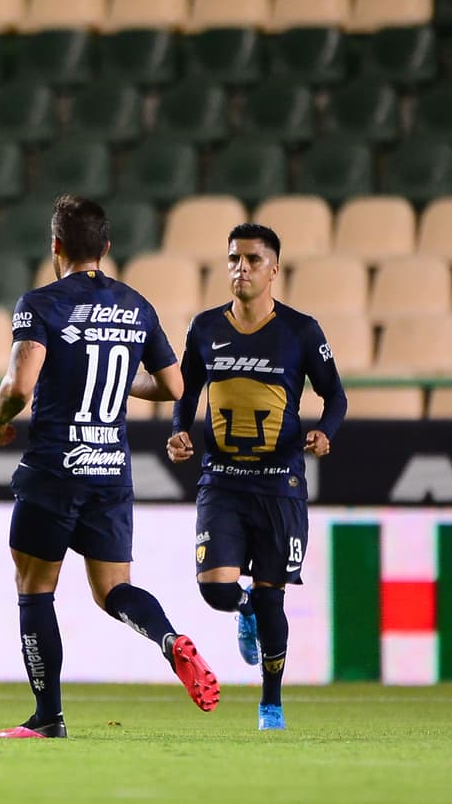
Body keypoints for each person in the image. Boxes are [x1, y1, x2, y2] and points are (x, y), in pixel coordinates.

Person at [0, 194, 219, 740]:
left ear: (56, 248)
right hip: (111, 470)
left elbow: (20, 386)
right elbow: (174, 386)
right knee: (114, 589)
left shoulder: (40, 303)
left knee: (35, 588)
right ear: (107, 249)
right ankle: (168, 639)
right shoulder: (136, 305)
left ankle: (48, 718)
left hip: (54, 467)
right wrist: (117, 387)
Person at [167, 222, 346, 732]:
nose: (240, 268)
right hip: (220, 479)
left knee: (274, 597)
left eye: (251, 259)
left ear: (274, 269)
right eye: (232, 259)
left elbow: (336, 394)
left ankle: (271, 704)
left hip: (278, 483)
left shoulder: (301, 331)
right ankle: (240, 608)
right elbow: (185, 391)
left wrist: (325, 432)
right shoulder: (204, 328)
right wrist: (180, 430)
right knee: (215, 590)